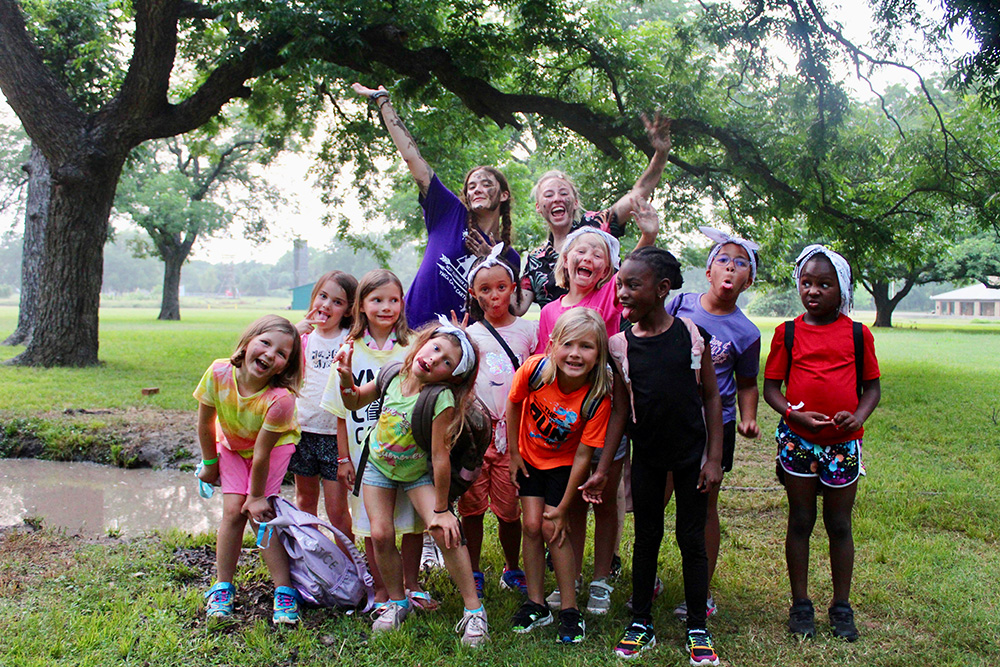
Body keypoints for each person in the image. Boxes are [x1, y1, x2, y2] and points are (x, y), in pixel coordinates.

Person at [531, 199, 657, 615]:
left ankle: (602, 578)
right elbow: (542, 371)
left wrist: (648, 237)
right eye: (580, 251)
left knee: (604, 498)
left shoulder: (610, 300)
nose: (587, 258)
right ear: (564, 261)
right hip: (566, 426)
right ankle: (575, 575)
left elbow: (637, 272)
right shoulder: (549, 312)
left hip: (607, 418)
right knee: (574, 502)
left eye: (598, 254)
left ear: (607, 270)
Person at [334, 319, 489, 646]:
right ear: (423, 342)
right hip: (377, 465)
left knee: (443, 531)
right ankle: (396, 601)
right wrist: (347, 378)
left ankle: (474, 612)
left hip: (417, 472)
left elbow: (439, 457)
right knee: (380, 533)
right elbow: (353, 402)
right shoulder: (393, 374)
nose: (434, 359)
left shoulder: (441, 400)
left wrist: (442, 509)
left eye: (446, 361)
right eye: (435, 348)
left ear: (452, 376)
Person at [609, 246, 724, 666]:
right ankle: (641, 621)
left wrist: (713, 458)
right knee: (646, 539)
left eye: (631, 285)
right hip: (647, 460)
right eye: (619, 284)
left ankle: (697, 625)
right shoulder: (620, 345)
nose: (622, 293)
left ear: (661, 289)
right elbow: (622, 409)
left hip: (691, 458)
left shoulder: (691, 336)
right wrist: (604, 467)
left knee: (691, 540)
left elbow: (710, 396)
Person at [762, 245, 881, 642]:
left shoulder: (857, 334)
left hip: (843, 444)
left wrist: (858, 416)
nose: (813, 291)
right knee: (800, 520)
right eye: (807, 283)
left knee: (839, 524)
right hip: (799, 442)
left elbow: (872, 388)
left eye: (824, 284)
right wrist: (792, 414)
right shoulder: (788, 332)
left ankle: (841, 607)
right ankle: (800, 605)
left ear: (842, 289)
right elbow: (771, 388)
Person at [351, 82, 519, 327]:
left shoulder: (510, 257)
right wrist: (383, 102)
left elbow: (507, 312)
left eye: (486, 184)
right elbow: (412, 158)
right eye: (472, 186)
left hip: (456, 352)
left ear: (503, 195)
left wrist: (489, 262)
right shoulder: (449, 212)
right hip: (408, 332)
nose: (478, 189)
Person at [319, 270, 433, 611]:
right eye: (377, 300)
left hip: (410, 453)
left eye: (393, 300)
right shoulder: (349, 350)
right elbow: (341, 409)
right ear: (361, 306)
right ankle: (383, 589)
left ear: (402, 303)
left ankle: (411, 585)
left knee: (412, 524)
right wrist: (343, 459)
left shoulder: (413, 347)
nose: (386, 307)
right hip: (365, 456)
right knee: (373, 527)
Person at [664, 227, 762, 621]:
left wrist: (749, 417)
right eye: (723, 259)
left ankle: (700, 591)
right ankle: (649, 577)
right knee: (655, 500)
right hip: (667, 418)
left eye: (741, 264)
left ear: (748, 280)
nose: (730, 267)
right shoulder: (679, 305)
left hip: (713, 428)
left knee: (703, 507)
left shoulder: (747, 332)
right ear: (708, 271)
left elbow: (748, 384)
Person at [506, 308, 613, 645]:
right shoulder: (535, 370)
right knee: (531, 526)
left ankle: (569, 609)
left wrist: (565, 505)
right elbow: (513, 403)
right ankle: (537, 603)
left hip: (564, 466)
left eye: (586, 347)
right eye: (568, 344)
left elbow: (584, 454)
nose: (575, 354)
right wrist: (513, 453)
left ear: (599, 354)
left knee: (555, 529)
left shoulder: (596, 398)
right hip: (529, 459)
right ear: (552, 344)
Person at [194, 315, 304, 625]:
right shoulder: (218, 373)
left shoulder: (280, 400)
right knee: (232, 512)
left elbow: (262, 452)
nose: (270, 354)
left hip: (272, 449)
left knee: (260, 516)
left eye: (281, 353)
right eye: (265, 343)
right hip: (232, 444)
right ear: (248, 342)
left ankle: (285, 590)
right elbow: (205, 424)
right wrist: (210, 465)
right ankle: (222, 587)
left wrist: (256, 496)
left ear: (284, 366)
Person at [515, 113, 672, 314]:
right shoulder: (536, 259)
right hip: (561, 339)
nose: (557, 199)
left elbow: (638, 193)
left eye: (564, 193)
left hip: (607, 331)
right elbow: (516, 307)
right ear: (539, 206)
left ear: (575, 202)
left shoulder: (597, 224)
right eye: (549, 195)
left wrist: (660, 154)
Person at [459, 246, 539, 597]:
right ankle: (473, 569)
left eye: (501, 287)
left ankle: (513, 565)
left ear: (514, 288)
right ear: (474, 294)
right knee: (472, 507)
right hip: (474, 438)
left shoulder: (528, 331)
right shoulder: (469, 334)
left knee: (510, 510)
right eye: (485, 289)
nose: (494, 296)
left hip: (515, 436)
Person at [290, 271, 358, 539]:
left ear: (348, 310)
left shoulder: (348, 340)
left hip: (335, 437)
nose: (327, 305)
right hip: (302, 430)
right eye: (323, 296)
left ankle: (350, 567)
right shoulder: (302, 338)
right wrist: (293, 333)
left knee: (337, 510)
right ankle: (313, 561)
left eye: (337, 302)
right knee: (305, 502)